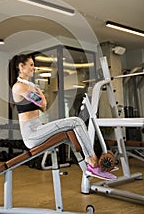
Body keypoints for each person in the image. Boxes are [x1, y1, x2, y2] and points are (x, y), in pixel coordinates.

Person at [11, 53, 117, 181]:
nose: (34, 68)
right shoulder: (19, 86)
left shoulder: (29, 86)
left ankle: (89, 167)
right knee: (75, 121)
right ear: (21, 66)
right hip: (31, 134)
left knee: (70, 134)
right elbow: (42, 103)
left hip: (38, 128)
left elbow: (44, 107)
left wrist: (40, 95)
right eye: (31, 65)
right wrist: (40, 94)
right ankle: (93, 163)